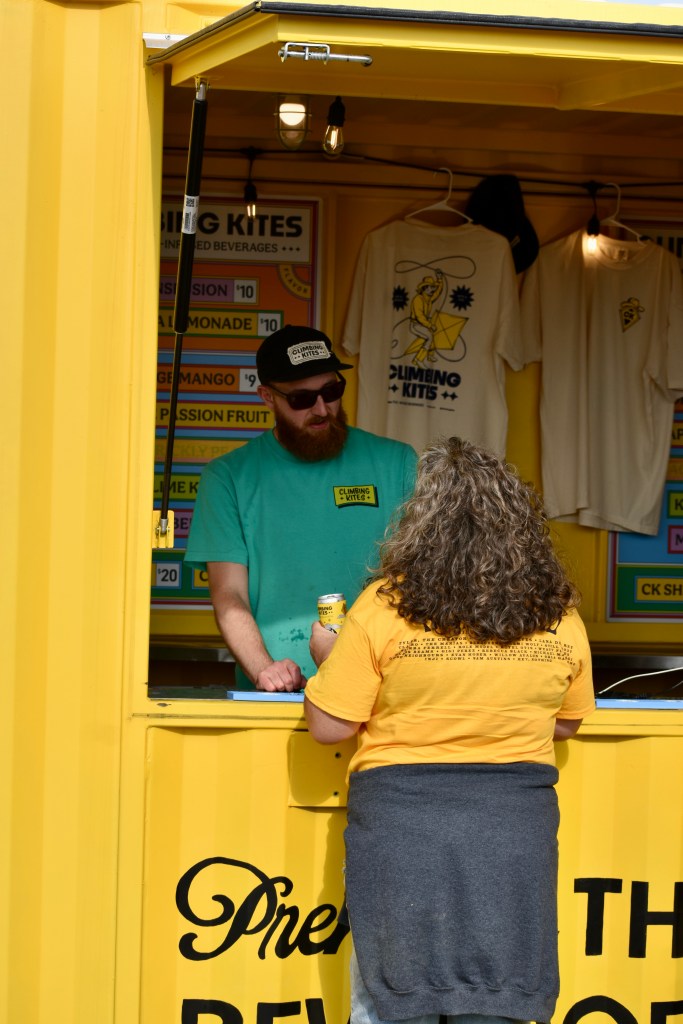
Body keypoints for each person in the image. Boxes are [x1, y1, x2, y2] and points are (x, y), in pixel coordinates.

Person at [304, 436, 596, 1024]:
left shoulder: (382, 608)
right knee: (500, 1002)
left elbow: (330, 726)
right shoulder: (557, 615)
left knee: (395, 1002)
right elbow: (567, 722)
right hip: (512, 832)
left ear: (420, 523)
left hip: (402, 831)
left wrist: (325, 655)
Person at [184, 324, 417, 692]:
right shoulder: (229, 477)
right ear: (267, 397)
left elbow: (425, 580)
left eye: (331, 391)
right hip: (280, 689)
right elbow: (229, 595)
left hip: (384, 685)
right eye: (302, 399)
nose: (322, 408)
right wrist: (265, 669)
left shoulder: (397, 462)